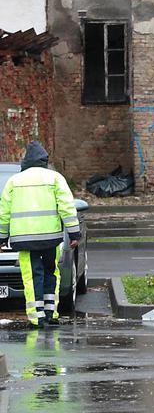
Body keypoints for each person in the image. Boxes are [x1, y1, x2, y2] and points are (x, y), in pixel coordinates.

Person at [0, 141, 80, 329]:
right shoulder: (55, 178)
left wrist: (2, 238)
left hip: (24, 240)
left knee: (32, 276)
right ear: (44, 160)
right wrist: (74, 233)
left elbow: (4, 213)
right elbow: (67, 207)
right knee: (51, 272)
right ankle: (51, 313)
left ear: (26, 160)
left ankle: (37, 318)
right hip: (51, 238)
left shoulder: (14, 181)